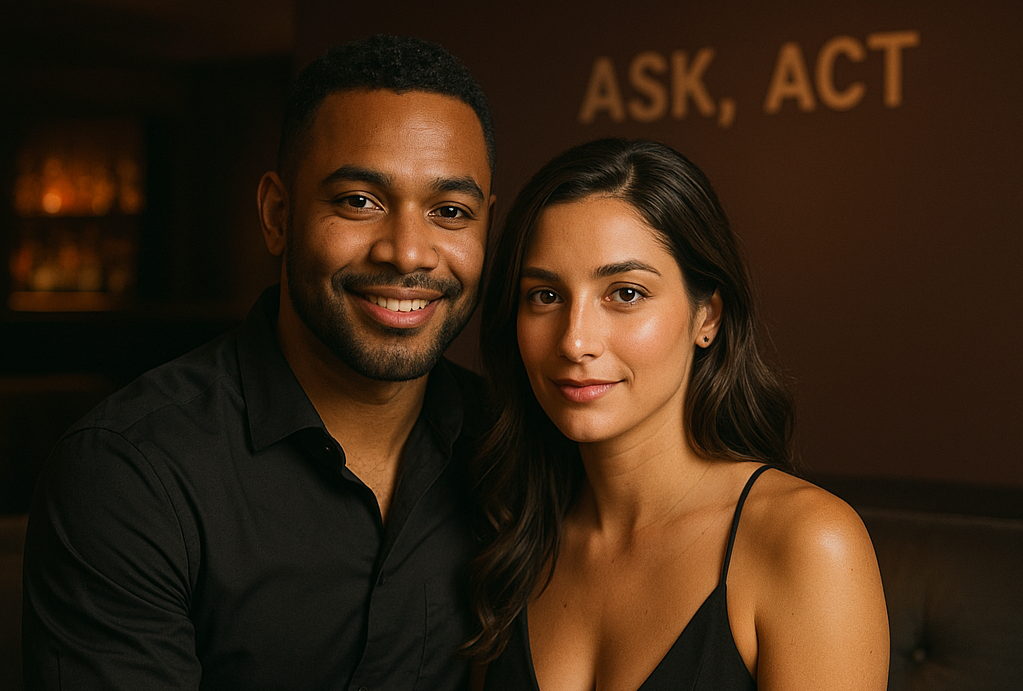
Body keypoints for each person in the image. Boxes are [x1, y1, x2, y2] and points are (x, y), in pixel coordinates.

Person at [22, 34, 496, 690]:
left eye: (449, 212)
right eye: (359, 201)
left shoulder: (510, 445)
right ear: (278, 214)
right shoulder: (132, 473)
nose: (408, 252)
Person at [465, 138, 889, 690]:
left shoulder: (808, 544)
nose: (574, 341)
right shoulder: (508, 533)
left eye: (626, 293)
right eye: (544, 296)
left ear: (706, 315)